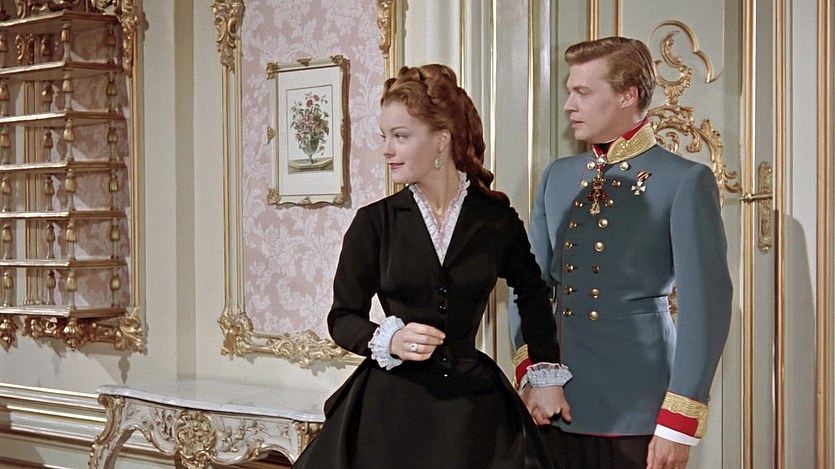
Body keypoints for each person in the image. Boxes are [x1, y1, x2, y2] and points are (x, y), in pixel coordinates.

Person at [293, 63, 571, 469]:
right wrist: (389, 339)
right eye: (384, 137)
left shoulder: (494, 220)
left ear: (441, 140)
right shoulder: (375, 223)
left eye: (401, 136)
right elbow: (342, 317)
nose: (387, 149)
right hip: (388, 413)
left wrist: (544, 375)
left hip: (473, 410)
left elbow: (532, 293)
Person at [510, 36, 733, 469]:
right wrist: (537, 376)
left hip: (639, 409)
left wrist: (676, 426)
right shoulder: (558, 176)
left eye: (582, 92)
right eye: (569, 92)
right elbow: (529, 288)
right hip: (555, 403)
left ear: (628, 95)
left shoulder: (684, 181)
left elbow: (705, 308)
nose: (569, 105)